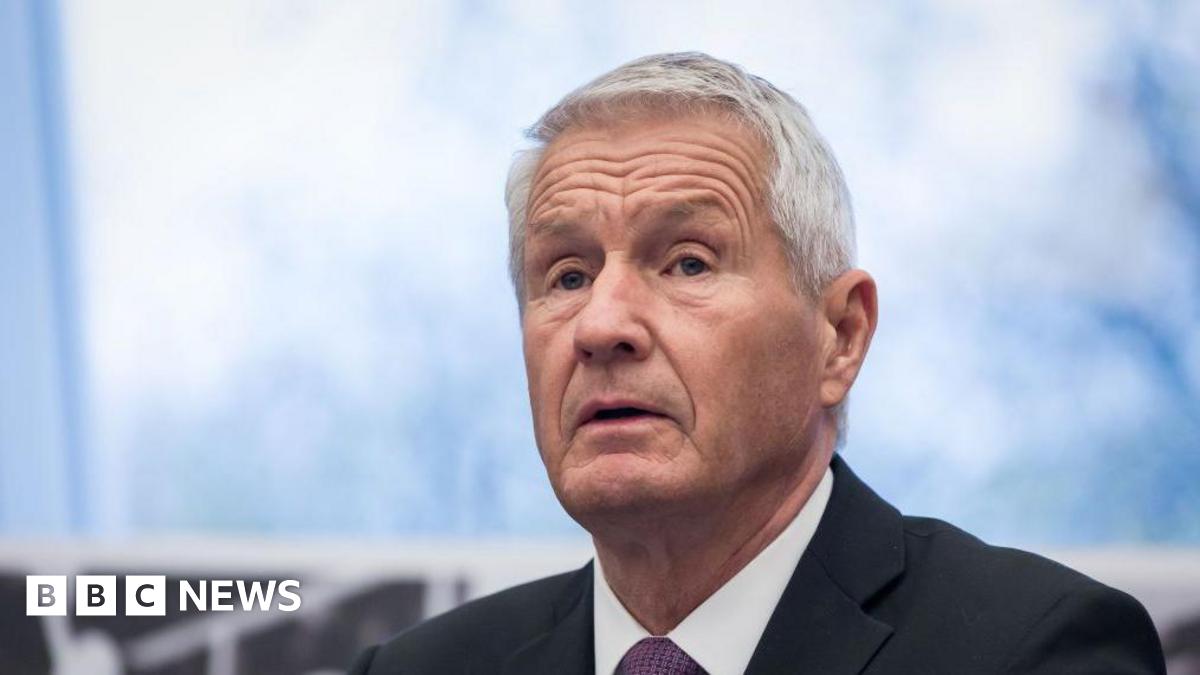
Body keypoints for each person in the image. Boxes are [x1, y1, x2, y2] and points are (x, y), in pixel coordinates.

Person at [349, 52, 1165, 674]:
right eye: (566, 274)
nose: (601, 324)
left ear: (839, 337)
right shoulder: (421, 667)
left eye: (689, 263)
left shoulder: (1034, 650)